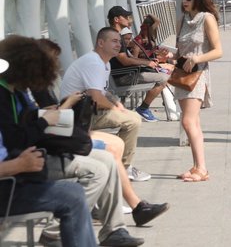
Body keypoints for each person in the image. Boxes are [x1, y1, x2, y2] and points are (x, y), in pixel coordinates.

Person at [0, 36, 146, 247]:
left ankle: (114, 230)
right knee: (94, 173)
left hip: (29, 158)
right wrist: (43, 121)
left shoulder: (16, 92)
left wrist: (43, 119)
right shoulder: (7, 95)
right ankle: (54, 233)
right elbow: (16, 138)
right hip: (20, 170)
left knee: (107, 159)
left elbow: (21, 130)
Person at [32, 39, 169, 229]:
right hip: (55, 138)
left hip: (62, 131)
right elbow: (50, 120)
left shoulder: (40, 84)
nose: (56, 64)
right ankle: (130, 206)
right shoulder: (36, 86)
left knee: (116, 143)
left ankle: (126, 204)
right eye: (52, 59)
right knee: (111, 149)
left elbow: (49, 118)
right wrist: (69, 103)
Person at [0, 54, 98, 247]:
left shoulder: (15, 95)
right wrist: (18, 164)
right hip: (7, 187)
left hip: (15, 179)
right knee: (73, 195)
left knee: (74, 191)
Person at [60, 28, 149, 184]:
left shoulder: (104, 63)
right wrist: (114, 108)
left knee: (131, 116)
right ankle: (124, 167)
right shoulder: (93, 62)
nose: (119, 44)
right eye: (114, 41)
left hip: (87, 111)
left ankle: (121, 165)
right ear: (101, 43)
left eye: (119, 41)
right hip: (76, 115)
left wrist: (117, 103)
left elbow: (103, 92)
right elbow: (96, 98)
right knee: (133, 120)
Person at [174, 0, 223, 182]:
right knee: (193, 122)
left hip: (198, 75)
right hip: (182, 76)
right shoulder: (182, 20)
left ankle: (202, 168)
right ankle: (196, 167)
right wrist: (168, 58)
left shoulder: (207, 18)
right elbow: (179, 51)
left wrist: (197, 58)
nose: (184, 1)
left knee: (187, 121)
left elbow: (218, 50)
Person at [107, 6, 170, 123]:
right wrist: (147, 63)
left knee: (162, 74)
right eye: (125, 17)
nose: (128, 19)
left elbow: (128, 58)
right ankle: (143, 108)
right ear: (116, 19)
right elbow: (125, 60)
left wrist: (147, 63)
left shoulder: (114, 35)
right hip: (123, 77)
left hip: (126, 73)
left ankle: (143, 108)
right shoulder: (115, 37)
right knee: (163, 78)